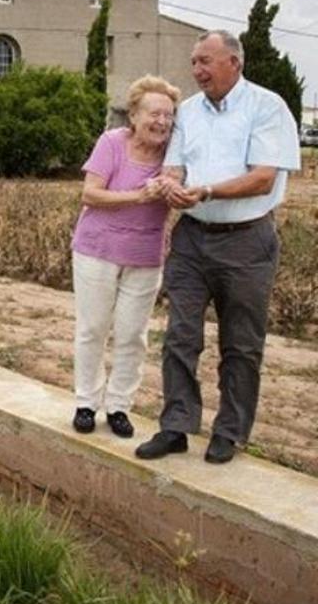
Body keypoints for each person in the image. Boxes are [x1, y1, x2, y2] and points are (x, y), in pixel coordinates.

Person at [135, 30, 301, 464]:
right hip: (192, 238)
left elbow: (263, 177)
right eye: (193, 62)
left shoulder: (267, 107)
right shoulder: (188, 111)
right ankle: (175, 426)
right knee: (179, 336)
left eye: (206, 61)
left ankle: (229, 431)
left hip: (247, 240)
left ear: (235, 62)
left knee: (241, 343)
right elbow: (174, 166)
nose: (197, 71)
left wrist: (205, 191)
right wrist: (169, 185)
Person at [70, 75, 181, 438]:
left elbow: (182, 188)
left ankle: (119, 406)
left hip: (146, 255)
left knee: (133, 334)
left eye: (168, 114)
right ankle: (86, 402)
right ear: (134, 115)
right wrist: (139, 196)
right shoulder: (112, 143)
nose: (161, 121)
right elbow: (91, 194)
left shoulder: (173, 155)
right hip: (97, 250)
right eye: (154, 113)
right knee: (93, 328)